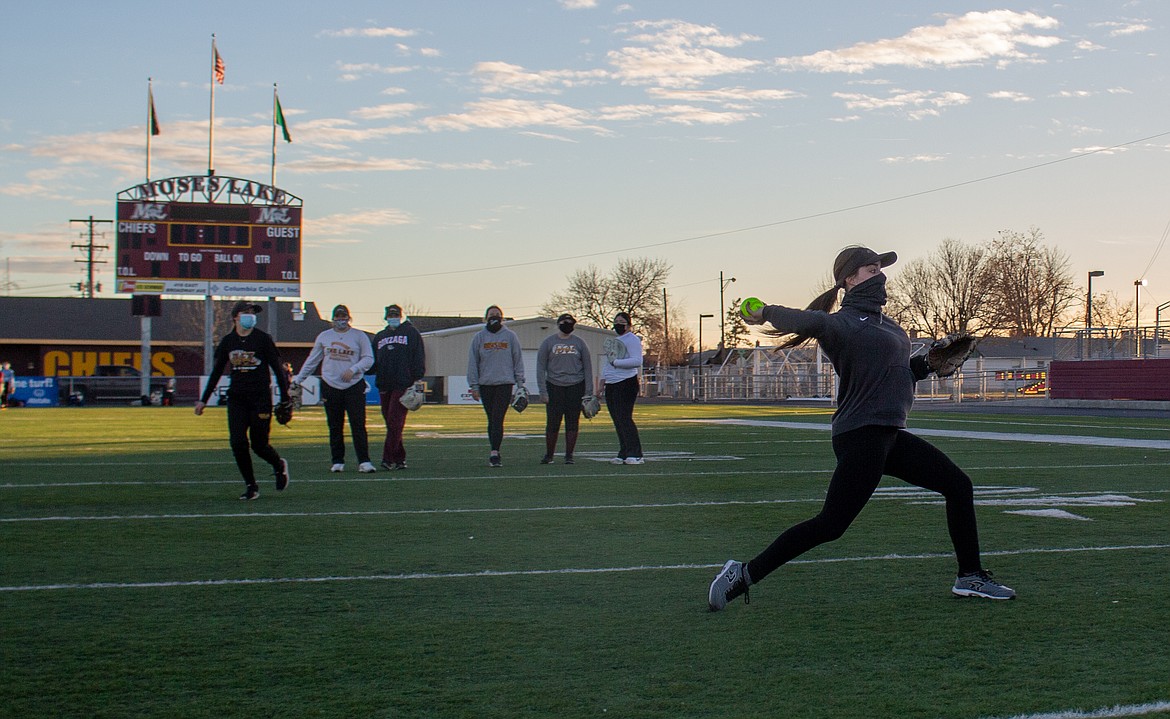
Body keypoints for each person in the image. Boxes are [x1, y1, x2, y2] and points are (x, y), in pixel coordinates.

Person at [707, 246, 1015, 611]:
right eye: (871, 270)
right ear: (849, 279)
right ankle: (742, 573)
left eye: (880, 269)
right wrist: (764, 312)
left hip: (889, 434)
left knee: (958, 485)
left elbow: (899, 374)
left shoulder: (892, 327)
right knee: (830, 525)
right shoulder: (840, 323)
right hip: (860, 435)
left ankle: (970, 577)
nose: (881, 276)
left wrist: (929, 364)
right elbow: (805, 321)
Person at [195, 301, 290, 500]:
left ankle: (278, 465)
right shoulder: (229, 341)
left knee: (259, 444)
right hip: (237, 398)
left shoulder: (263, 339)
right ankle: (251, 485)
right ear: (236, 317)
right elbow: (217, 372)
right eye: (246, 312)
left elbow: (278, 369)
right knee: (237, 442)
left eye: (252, 313)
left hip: (260, 398)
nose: (250, 316)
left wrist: (285, 396)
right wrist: (203, 399)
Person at [293, 304, 376, 473]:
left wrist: (353, 369)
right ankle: (337, 461)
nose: (341, 321)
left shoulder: (359, 336)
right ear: (333, 319)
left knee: (358, 424)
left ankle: (364, 461)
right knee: (334, 425)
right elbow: (312, 360)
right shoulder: (324, 336)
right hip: (330, 385)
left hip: (353, 385)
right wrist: (298, 379)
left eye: (344, 317)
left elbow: (368, 359)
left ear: (349, 318)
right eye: (338, 318)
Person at [467, 305, 524, 468]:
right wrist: (474, 385)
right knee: (491, 419)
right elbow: (473, 362)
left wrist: (520, 384)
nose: (494, 317)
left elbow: (517, 360)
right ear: (485, 318)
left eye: (497, 315)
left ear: (502, 318)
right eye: (492, 315)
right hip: (486, 384)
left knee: (498, 418)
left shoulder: (510, 336)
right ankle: (494, 449)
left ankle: (495, 452)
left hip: (505, 383)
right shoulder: (479, 337)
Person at [373, 304, 426, 471]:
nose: (393, 317)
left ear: (401, 316)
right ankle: (400, 459)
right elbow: (373, 360)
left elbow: (419, 355)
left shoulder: (411, 333)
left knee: (395, 421)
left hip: (403, 383)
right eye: (390, 314)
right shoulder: (380, 336)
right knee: (390, 423)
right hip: (384, 383)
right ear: (385, 317)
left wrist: (417, 378)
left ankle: (387, 458)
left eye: (396, 314)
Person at [536, 313, 592, 465]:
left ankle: (569, 455)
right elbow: (540, 367)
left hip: (576, 386)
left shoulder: (579, 343)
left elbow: (587, 367)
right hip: (554, 386)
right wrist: (543, 391)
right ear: (558, 323)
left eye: (570, 322)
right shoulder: (549, 342)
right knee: (553, 423)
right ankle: (549, 455)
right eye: (565, 322)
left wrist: (588, 392)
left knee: (572, 422)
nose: (568, 324)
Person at [598, 311, 644, 465]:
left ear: (628, 324)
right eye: (616, 321)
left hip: (626, 382)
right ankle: (623, 452)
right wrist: (602, 382)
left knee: (625, 418)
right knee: (617, 419)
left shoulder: (632, 339)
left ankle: (635, 453)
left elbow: (637, 361)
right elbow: (607, 363)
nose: (618, 324)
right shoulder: (614, 340)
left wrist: (617, 363)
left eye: (622, 321)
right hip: (611, 383)